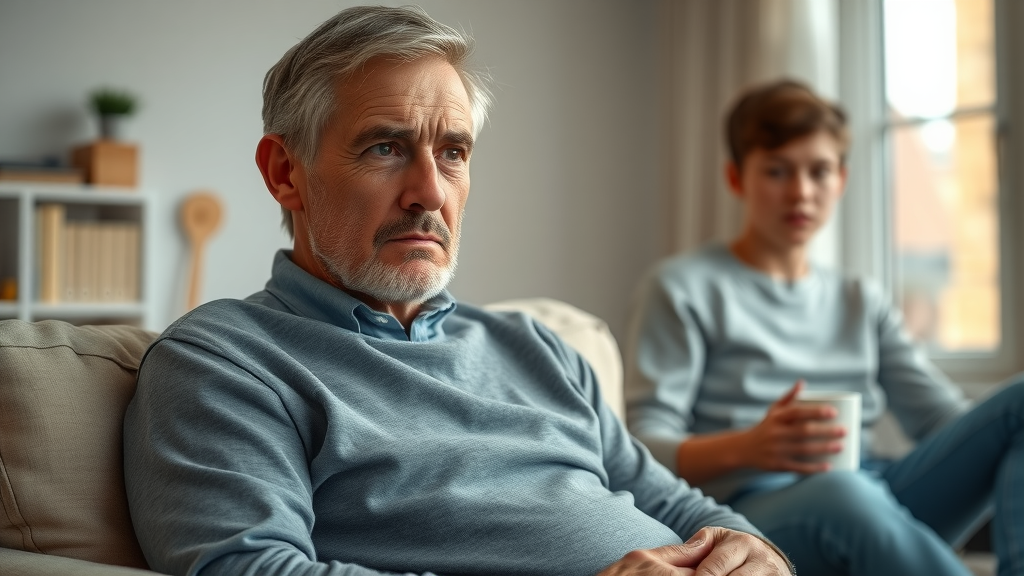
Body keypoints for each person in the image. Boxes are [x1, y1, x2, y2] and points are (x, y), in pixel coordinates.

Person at [123, 6, 795, 576]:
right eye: (385, 148)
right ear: (284, 173)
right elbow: (254, 569)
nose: (431, 193)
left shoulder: (537, 347)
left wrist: (758, 552)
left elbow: (676, 505)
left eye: (453, 152)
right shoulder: (227, 361)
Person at [624, 78, 1024, 576]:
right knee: (846, 491)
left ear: (842, 179)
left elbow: (946, 423)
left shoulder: (860, 299)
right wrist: (751, 447)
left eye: (820, 171)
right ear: (735, 178)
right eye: (776, 171)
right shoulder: (682, 287)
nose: (801, 192)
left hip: (875, 490)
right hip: (755, 507)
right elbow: (641, 445)